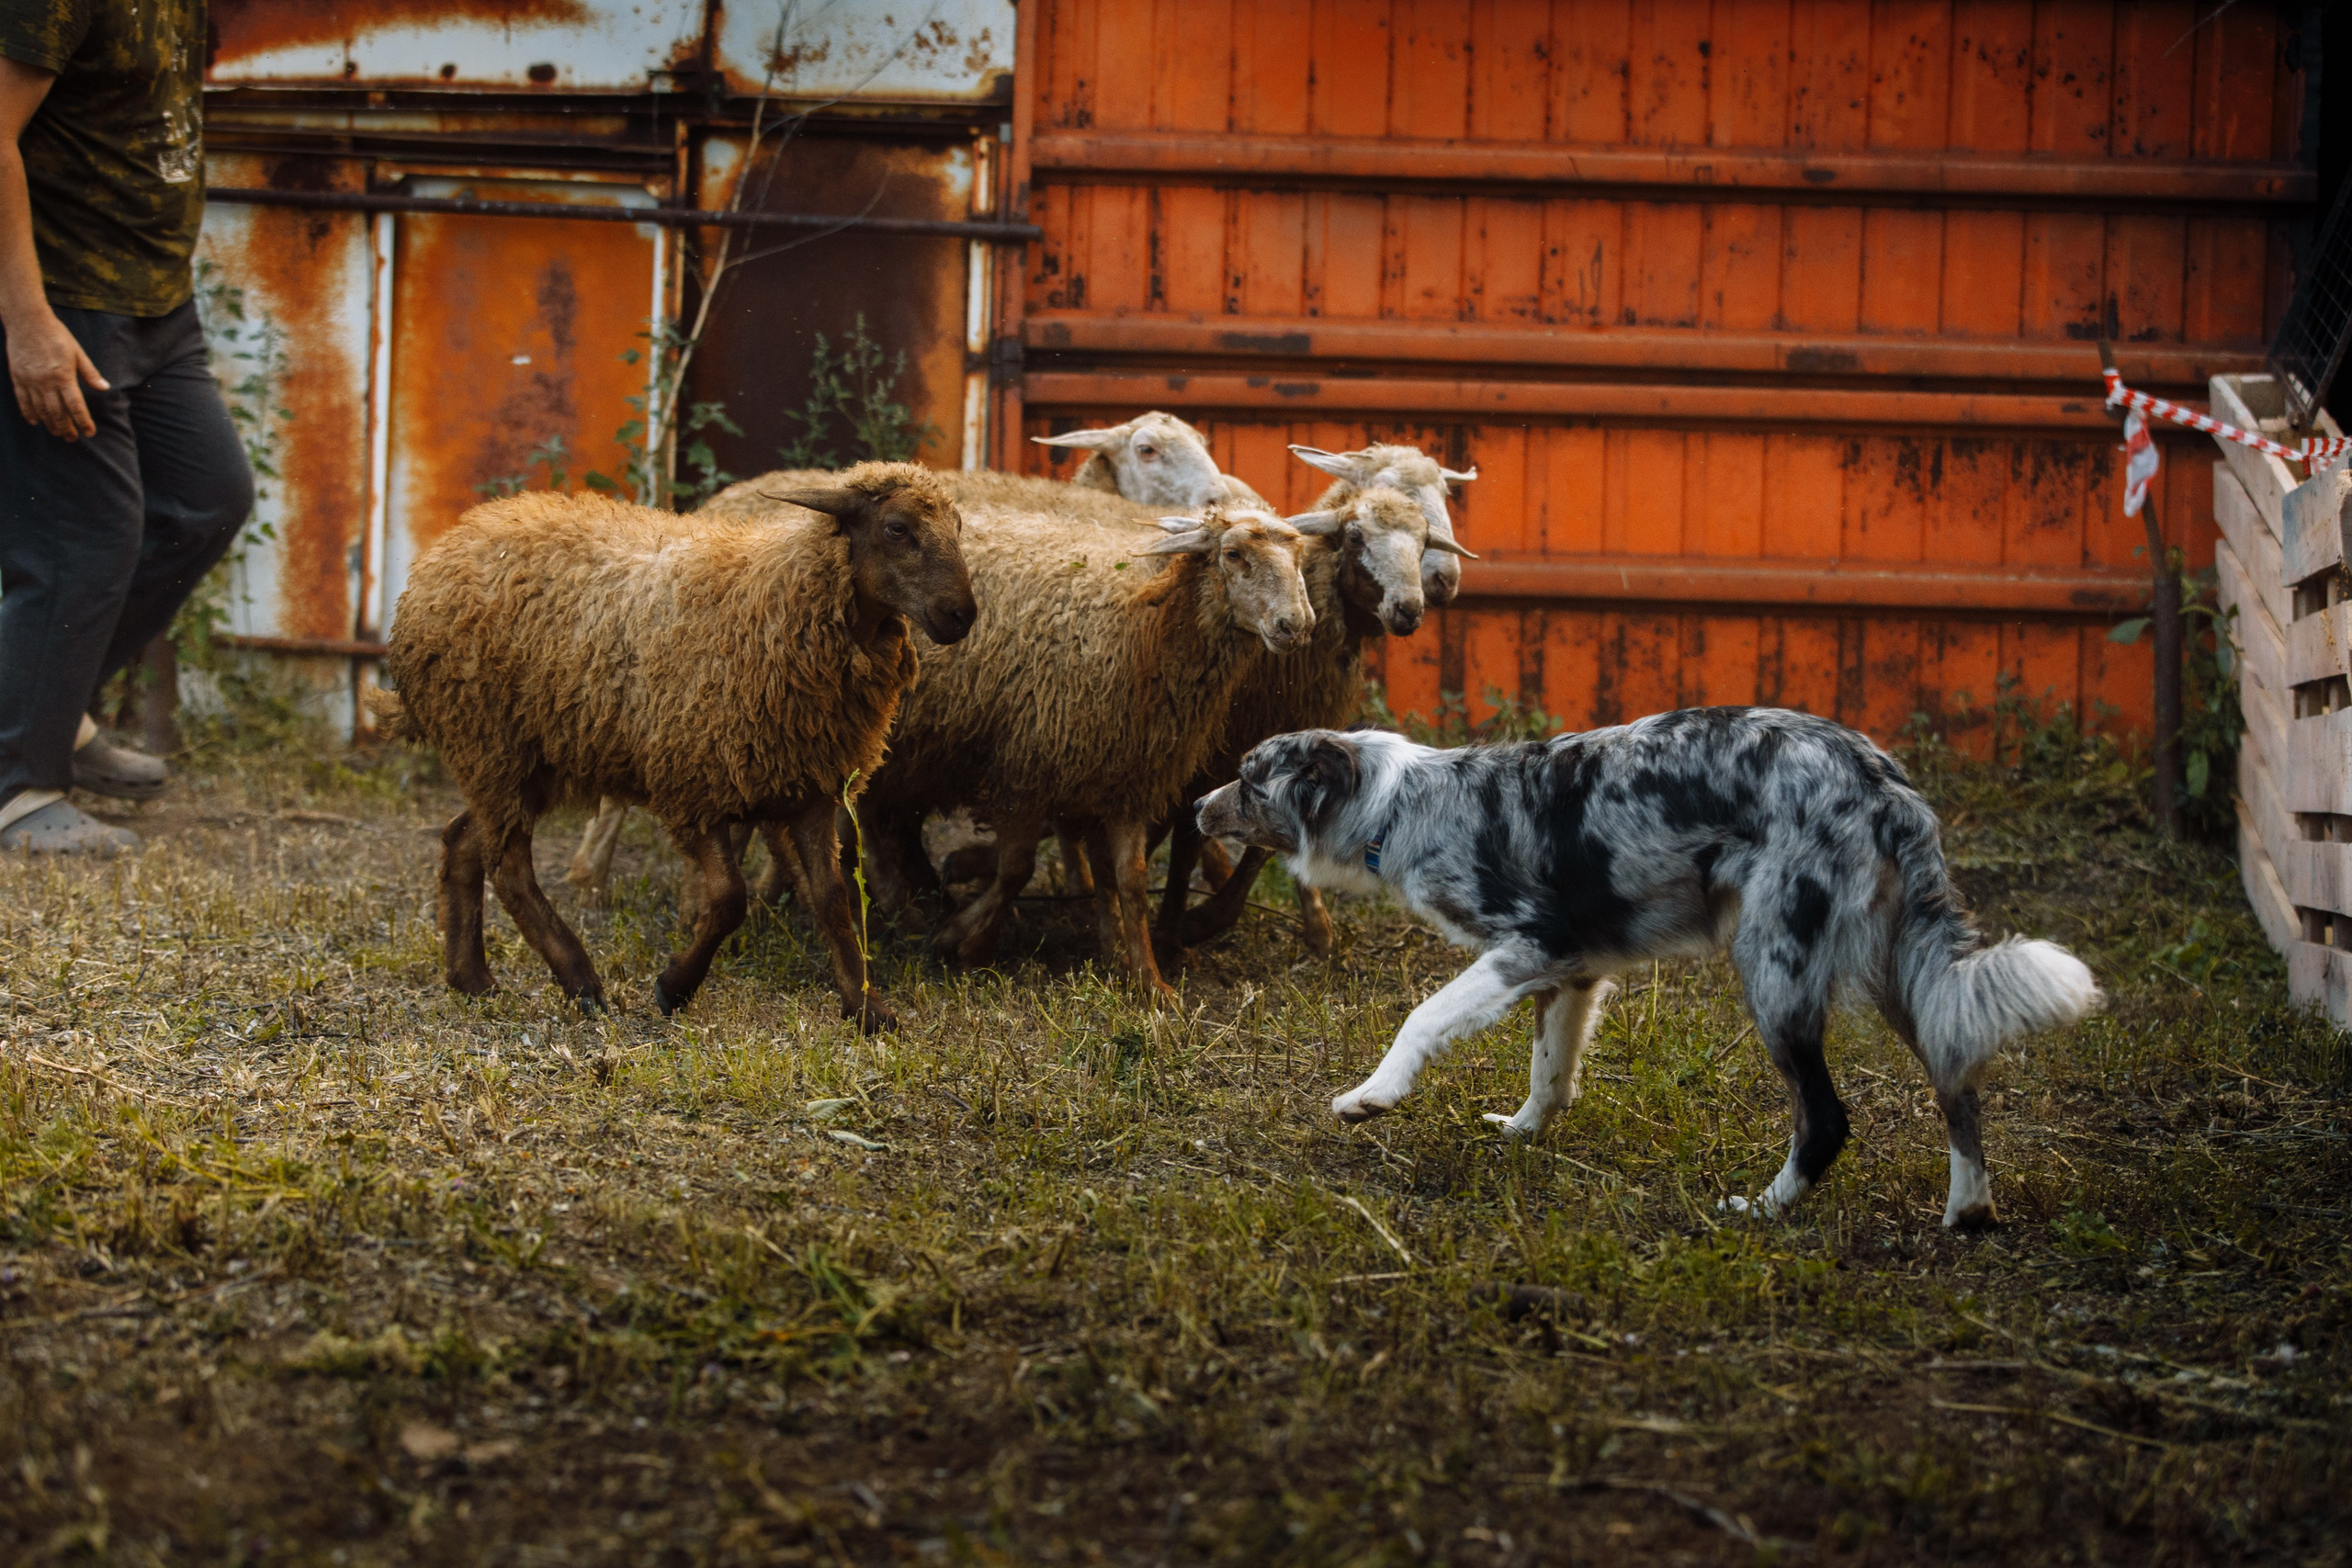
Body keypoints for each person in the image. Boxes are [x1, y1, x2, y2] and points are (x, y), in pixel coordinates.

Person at [0, 0, 252, 854]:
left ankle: (45, 706)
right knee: (82, 539)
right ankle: (17, 791)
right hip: (68, 301)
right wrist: (26, 321)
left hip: (157, 304)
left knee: (205, 501)